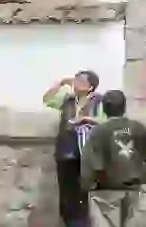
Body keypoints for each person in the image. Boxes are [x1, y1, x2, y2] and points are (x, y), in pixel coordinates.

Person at [81, 90, 146, 227]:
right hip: (133, 189)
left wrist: (87, 185)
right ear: (124, 107)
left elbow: (92, 163)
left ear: (104, 108)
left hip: (106, 191)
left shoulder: (99, 131)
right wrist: (143, 177)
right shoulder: (139, 128)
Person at [44, 70, 105, 227]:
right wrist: (60, 83)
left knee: (81, 194)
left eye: (80, 81)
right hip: (65, 151)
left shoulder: (99, 101)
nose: (75, 83)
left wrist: (87, 120)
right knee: (66, 194)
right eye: (76, 80)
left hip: (86, 153)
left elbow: (107, 122)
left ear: (90, 87)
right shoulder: (68, 100)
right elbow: (47, 100)